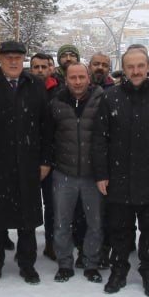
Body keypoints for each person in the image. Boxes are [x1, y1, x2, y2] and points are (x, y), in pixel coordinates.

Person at [93, 46, 149, 297]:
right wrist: (101, 173)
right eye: (130, 66)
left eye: (140, 66)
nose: (135, 71)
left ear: (148, 67)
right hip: (118, 178)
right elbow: (100, 139)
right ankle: (118, 272)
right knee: (119, 231)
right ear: (124, 68)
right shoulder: (110, 97)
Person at [0, 40, 49, 286]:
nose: (13, 62)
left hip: (28, 163)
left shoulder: (35, 85)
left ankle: (27, 265)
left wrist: (45, 160)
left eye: (18, 57)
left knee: (28, 220)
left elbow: (46, 127)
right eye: (8, 58)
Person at [42, 61, 106, 283]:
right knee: (61, 222)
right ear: (66, 79)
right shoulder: (56, 102)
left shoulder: (101, 101)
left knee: (95, 223)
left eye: (81, 77)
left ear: (88, 77)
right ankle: (65, 264)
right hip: (64, 173)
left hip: (92, 174)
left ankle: (91, 264)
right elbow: (48, 137)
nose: (77, 82)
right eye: (72, 78)